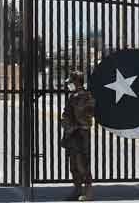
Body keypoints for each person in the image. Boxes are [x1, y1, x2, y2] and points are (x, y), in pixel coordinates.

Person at [60, 70, 95, 201]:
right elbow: (67, 113)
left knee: (82, 163)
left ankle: (88, 192)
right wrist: (66, 123)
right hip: (71, 133)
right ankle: (77, 189)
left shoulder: (86, 96)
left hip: (80, 133)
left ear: (76, 82)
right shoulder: (73, 96)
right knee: (73, 164)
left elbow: (88, 115)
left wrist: (76, 124)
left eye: (71, 82)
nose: (69, 85)